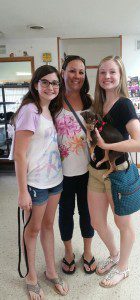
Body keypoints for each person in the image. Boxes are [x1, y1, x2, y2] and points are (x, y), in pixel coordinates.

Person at [87, 55, 140, 287]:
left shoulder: (124, 105)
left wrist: (107, 146)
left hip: (118, 173)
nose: (107, 77)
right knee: (96, 222)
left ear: (120, 75)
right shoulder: (97, 104)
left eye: (112, 72)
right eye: (102, 72)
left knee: (123, 224)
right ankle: (114, 255)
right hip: (95, 172)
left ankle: (124, 267)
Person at [13, 65, 69, 299]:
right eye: (45, 82)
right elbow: (19, 154)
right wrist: (22, 191)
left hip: (55, 180)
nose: (50, 87)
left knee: (47, 226)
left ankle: (51, 271)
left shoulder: (49, 110)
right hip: (35, 183)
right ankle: (31, 276)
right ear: (35, 83)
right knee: (33, 229)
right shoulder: (30, 110)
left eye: (55, 83)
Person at [54, 55, 97, 275]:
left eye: (81, 72)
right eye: (72, 70)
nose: (77, 76)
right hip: (61, 173)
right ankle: (69, 252)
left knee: (87, 213)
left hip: (88, 171)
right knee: (65, 212)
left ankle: (88, 252)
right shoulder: (54, 101)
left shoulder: (89, 101)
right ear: (63, 72)